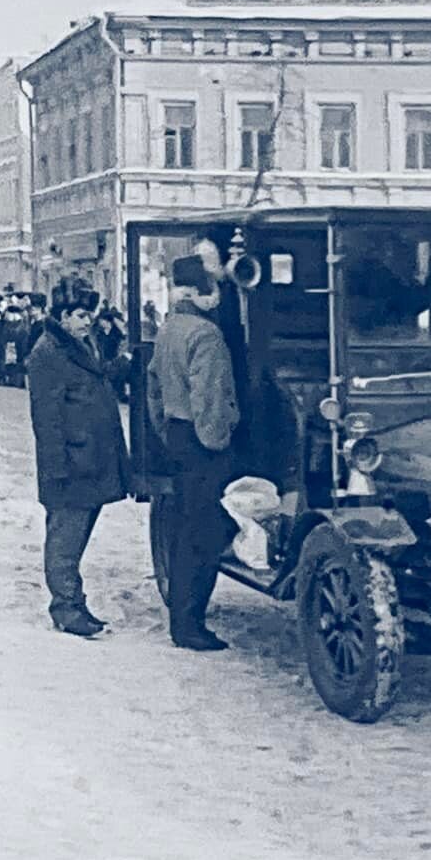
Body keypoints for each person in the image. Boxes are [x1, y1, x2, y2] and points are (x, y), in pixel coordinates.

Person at [26, 279, 132, 637]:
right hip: (71, 464)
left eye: (89, 315)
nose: (88, 321)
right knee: (65, 540)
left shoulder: (78, 344)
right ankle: (66, 608)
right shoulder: (48, 352)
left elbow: (94, 381)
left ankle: (74, 601)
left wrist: (123, 364)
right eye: (81, 315)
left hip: (89, 460)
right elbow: (46, 418)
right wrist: (56, 468)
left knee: (76, 536)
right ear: (63, 316)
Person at [147, 254, 240, 651]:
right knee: (204, 533)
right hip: (203, 443)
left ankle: (182, 618)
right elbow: (210, 397)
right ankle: (189, 624)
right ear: (204, 292)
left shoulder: (169, 328)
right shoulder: (206, 335)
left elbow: (153, 387)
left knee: (185, 528)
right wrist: (218, 443)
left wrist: (167, 431)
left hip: (179, 434)